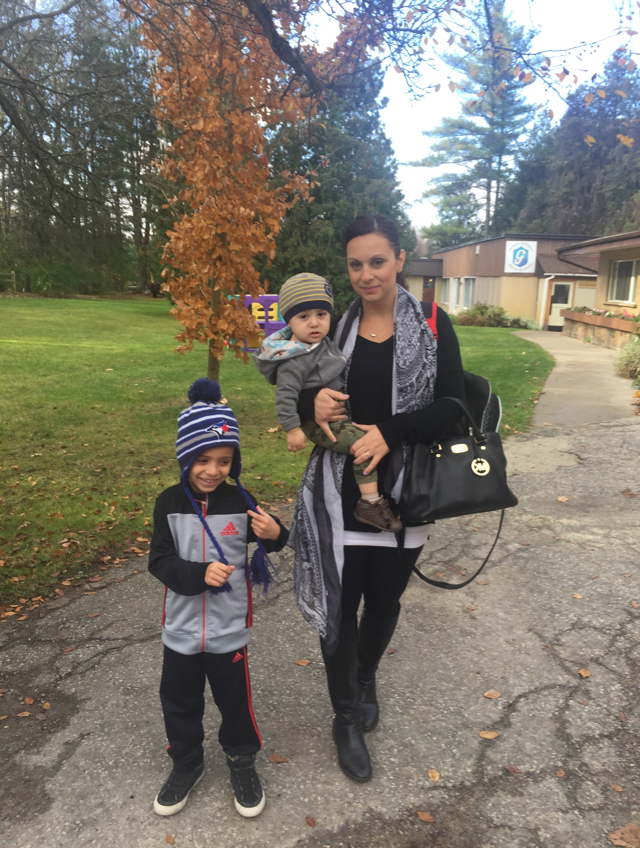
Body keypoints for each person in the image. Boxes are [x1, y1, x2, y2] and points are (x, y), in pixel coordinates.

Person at [288, 214, 465, 783]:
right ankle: (345, 716)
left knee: (384, 601)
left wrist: (391, 432)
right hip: (339, 491)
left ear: (400, 259)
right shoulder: (330, 331)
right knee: (340, 609)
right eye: (355, 265)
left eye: (377, 261)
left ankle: (364, 678)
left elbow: (454, 406)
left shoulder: (432, 324)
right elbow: (299, 396)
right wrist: (311, 406)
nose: (366, 274)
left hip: (407, 491)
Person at [148, 378, 288, 818]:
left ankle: (241, 760)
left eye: (224, 461)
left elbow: (273, 538)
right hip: (181, 630)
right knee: (179, 703)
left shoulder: (239, 500)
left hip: (229, 630)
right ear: (185, 456)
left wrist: (275, 532)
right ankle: (186, 762)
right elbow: (159, 561)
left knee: (235, 703)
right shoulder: (169, 503)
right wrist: (198, 574)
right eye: (203, 459)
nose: (213, 470)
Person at [252, 272, 401, 532]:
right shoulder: (295, 358)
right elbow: (285, 396)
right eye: (303, 316)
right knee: (363, 447)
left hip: (336, 414)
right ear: (289, 321)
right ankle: (369, 502)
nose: (314, 323)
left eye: (321, 314)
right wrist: (292, 429)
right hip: (317, 423)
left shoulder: (318, 344)